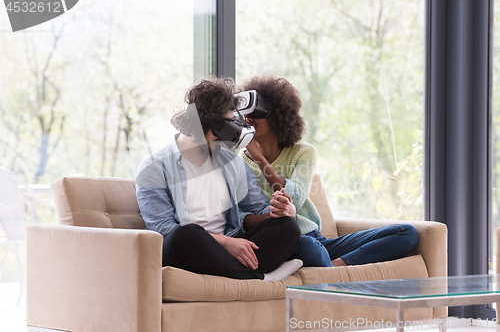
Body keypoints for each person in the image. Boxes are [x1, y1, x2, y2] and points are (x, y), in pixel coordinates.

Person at [239, 75, 419, 267]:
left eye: (257, 112)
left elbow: (296, 198)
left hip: (317, 239)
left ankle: (337, 266)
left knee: (407, 232)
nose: (249, 118)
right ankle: (330, 271)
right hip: (287, 243)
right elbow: (240, 219)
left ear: (277, 115)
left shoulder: (304, 153)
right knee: (306, 246)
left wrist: (260, 159)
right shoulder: (239, 163)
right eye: (245, 112)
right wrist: (272, 217)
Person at [135, 76, 303, 281]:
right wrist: (224, 243)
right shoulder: (153, 167)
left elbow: (259, 210)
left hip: (228, 250)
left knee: (288, 228)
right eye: (221, 131)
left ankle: (240, 273)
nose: (225, 141)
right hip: (188, 250)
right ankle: (260, 277)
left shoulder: (232, 164)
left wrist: (282, 212)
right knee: (185, 234)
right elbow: (163, 229)